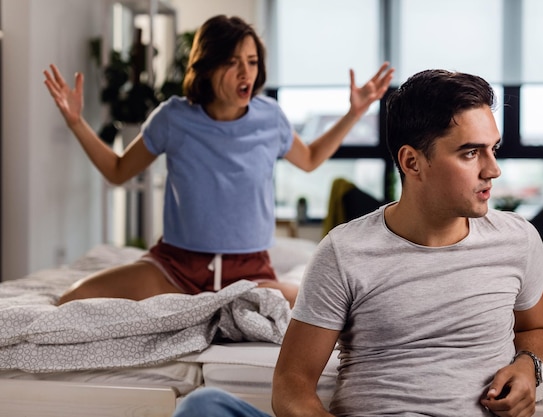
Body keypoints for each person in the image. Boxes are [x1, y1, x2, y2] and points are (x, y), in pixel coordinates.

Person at [171, 69, 543, 417]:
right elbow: (291, 384)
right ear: (412, 162)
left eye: (493, 149)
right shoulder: (344, 251)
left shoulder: (517, 241)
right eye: (471, 152)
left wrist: (527, 365)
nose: (492, 169)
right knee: (203, 406)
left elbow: (536, 329)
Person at [43, 15, 393, 308]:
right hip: (176, 267)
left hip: (250, 272)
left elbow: (311, 159)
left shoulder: (270, 118)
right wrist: (76, 122)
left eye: (252, 62)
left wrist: (354, 113)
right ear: (208, 66)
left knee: (330, 310)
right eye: (232, 62)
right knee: (72, 299)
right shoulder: (173, 117)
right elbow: (118, 171)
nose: (246, 73)